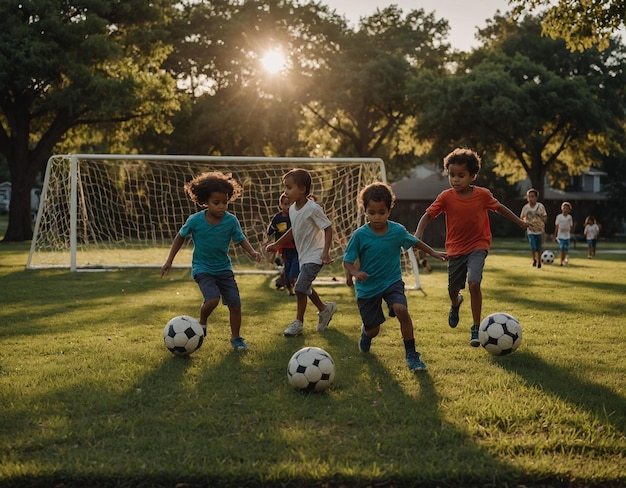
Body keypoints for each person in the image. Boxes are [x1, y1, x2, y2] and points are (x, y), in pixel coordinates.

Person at [415, 148, 531, 347]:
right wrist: (418, 234)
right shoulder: (445, 197)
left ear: (472, 175)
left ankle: (476, 328)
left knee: (474, 283)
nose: (455, 180)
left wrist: (519, 222)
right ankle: (455, 302)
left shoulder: (483, 195)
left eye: (461, 175)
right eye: (452, 175)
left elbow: (500, 208)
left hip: (478, 245)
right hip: (454, 249)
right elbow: (427, 215)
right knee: (452, 289)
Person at [343, 182, 447, 371]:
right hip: (368, 288)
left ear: (389, 210)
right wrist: (354, 273)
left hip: (392, 282)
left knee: (401, 309)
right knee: (374, 330)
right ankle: (366, 335)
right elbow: (348, 261)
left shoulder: (397, 231)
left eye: (381, 212)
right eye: (371, 212)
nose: (376, 217)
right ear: (365, 210)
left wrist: (434, 253)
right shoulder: (360, 235)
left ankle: (412, 354)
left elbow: (415, 242)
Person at [160, 171, 262, 351]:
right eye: (216, 203)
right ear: (205, 201)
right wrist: (169, 260)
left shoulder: (231, 221)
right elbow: (179, 237)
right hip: (202, 267)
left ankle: (236, 338)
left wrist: (252, 252)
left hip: (224, 268)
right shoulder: (195, 220)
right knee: (213, 299)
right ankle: (202, 322)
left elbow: (240, 239)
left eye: (225, 202)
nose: (221, 207)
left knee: (235, 303)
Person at [266, 168, 336, 337]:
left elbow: (328, 228)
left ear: (302, 189)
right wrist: (276, 244)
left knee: (299, 287)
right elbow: (293, 230)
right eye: (285, 187)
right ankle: (324, 309)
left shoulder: (312, 208)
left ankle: (298, 323)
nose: (285, 191)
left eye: (289, 187)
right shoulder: (292, 209)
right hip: (303, 255)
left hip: (316, 254)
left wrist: (325, 252)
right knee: (304, 286)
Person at [266, 193, 299, 295]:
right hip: (284, 249)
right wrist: (267, 241)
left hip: (297, 249)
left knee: (294, 269)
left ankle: (298, 284)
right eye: (285, 204)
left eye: (290, 204)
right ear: (280, 205)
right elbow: (271, 231)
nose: (288, 207)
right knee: (287, 269)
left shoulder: (296, 216)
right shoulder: (277, 218)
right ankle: (290, 289)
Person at [520, 188, 548, 268]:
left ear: (536, 197)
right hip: (530, 230)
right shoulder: (526, 207)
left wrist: (543, 223)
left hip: (539, 230)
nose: (530, 198)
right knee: (533, 246)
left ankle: (539, 260)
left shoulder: (540, 206)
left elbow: (544, 216)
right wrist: (524, 223)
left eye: (532, 196)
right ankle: (534, 260)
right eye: (529, 197)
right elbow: (522, 217)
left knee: (539, 247)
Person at [554, 202, 573, 266]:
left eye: (567, 208)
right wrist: (555, 235)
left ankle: (564, 258)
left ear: (569, 210)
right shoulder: (559, 217)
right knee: (562, 247)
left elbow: (571, 226)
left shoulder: (569, 217)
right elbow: (557, 226)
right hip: (560, 235)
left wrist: (570, 233)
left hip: (567, 235)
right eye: (564, 208)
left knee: (566, 248)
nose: (565, 210)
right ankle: (561, 261)